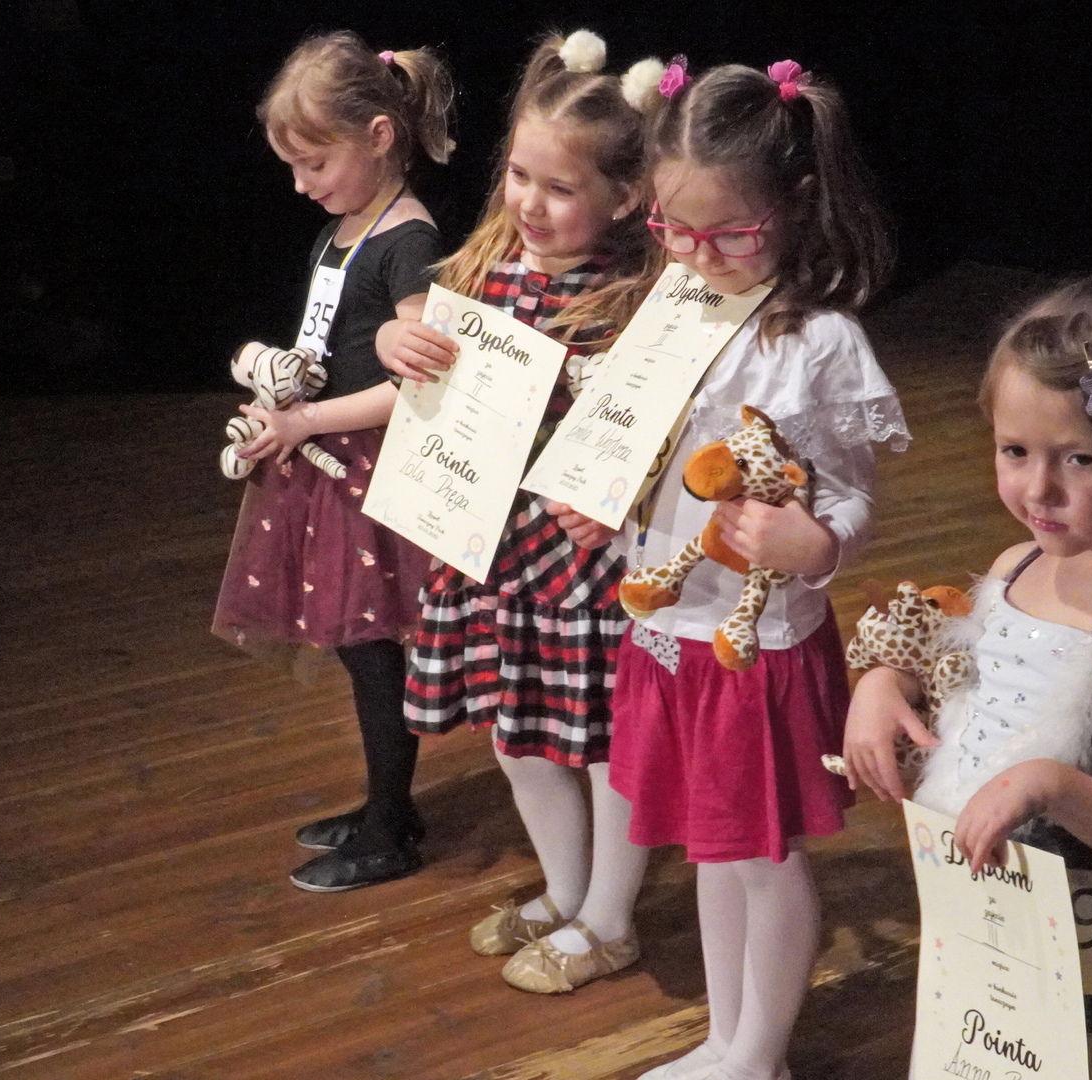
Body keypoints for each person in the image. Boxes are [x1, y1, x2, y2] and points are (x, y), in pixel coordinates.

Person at [554, 55, 909, 1080]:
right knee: (713, 845)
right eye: (675, 229)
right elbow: (650, 457)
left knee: (760, 855)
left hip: (753, 647)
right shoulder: (673, 306)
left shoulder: (820, 342)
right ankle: (727, 1041)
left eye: (730, 234)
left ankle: (759, 1055)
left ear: (792, 205)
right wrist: (604, 507)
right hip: (669, 631)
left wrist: (819, 545)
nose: (699, 256)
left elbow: (852, 498)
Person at [845, 276, 1092, 1079]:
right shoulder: (1015, 566)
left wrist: (1048, 785)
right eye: (1014, 451)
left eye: (1080, 459)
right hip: (987, 920)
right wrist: (883, 685)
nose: (1038, 490)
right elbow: (956, 678)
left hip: (1087, 953)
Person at [373, 31, 666, 990]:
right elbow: (425, 356)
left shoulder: (641, 303)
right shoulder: (485, 269)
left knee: (604, 748)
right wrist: (394, 344)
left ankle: (611, 919)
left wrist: (618, 493)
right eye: (520, 177)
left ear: (626, 196)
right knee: (520, 737)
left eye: (560, 188)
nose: (530, 204)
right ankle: (568, 893)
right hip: (492, 553)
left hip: (585, 571)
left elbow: (668, 436)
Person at [213, 31, 454, 892]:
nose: (301, 184)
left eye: (314, 163)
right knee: (361, 651)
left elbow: (417, 385)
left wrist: (308, 417)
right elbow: (323, 352)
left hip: (368, 470)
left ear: (379, 136)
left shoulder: (409, 242)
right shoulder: (344, 229)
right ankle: (386, 805)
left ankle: (390, 829)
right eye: (292, 166)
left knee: (374, 648)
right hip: (324, 458)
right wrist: (279, 401)